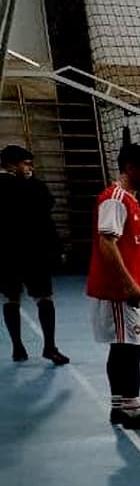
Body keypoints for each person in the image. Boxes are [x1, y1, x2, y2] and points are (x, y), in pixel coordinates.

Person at [87, 143, 140, 428]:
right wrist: (128, 286)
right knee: (130, 348)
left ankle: (119, 406)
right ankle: (132, 409)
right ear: (130, 168)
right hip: (116, 290)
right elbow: (107, 243)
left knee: (123, 346)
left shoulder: (131, 199)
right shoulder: (115, 199)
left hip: (124, 287)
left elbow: (128, 247)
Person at [1, 145, 69, 365]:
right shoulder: (30, 186)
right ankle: (41, 347)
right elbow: (45, 207)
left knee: (17, 298)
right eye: (26, 164)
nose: (30, 168)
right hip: (26, 252)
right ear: (12, 165)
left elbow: (46, 208)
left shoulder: (31, 185)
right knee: (35, 297)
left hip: (18, 253)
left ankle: (23, 347)